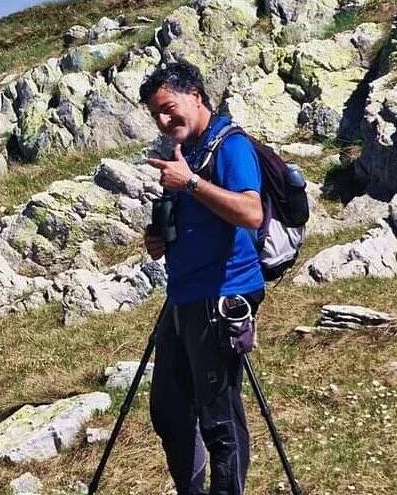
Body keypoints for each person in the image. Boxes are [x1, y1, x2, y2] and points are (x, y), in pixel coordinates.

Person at [139, 60, 266, 495]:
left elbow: (251, 212)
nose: (163, 119)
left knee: (219, 419)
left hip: (222, 294)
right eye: (155, 113)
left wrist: (190, 183)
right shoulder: (188, 152)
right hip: (184, 296)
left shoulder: (229, 146)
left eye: (169, 107)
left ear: (196, 95)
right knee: (170, 410)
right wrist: (162, 240)